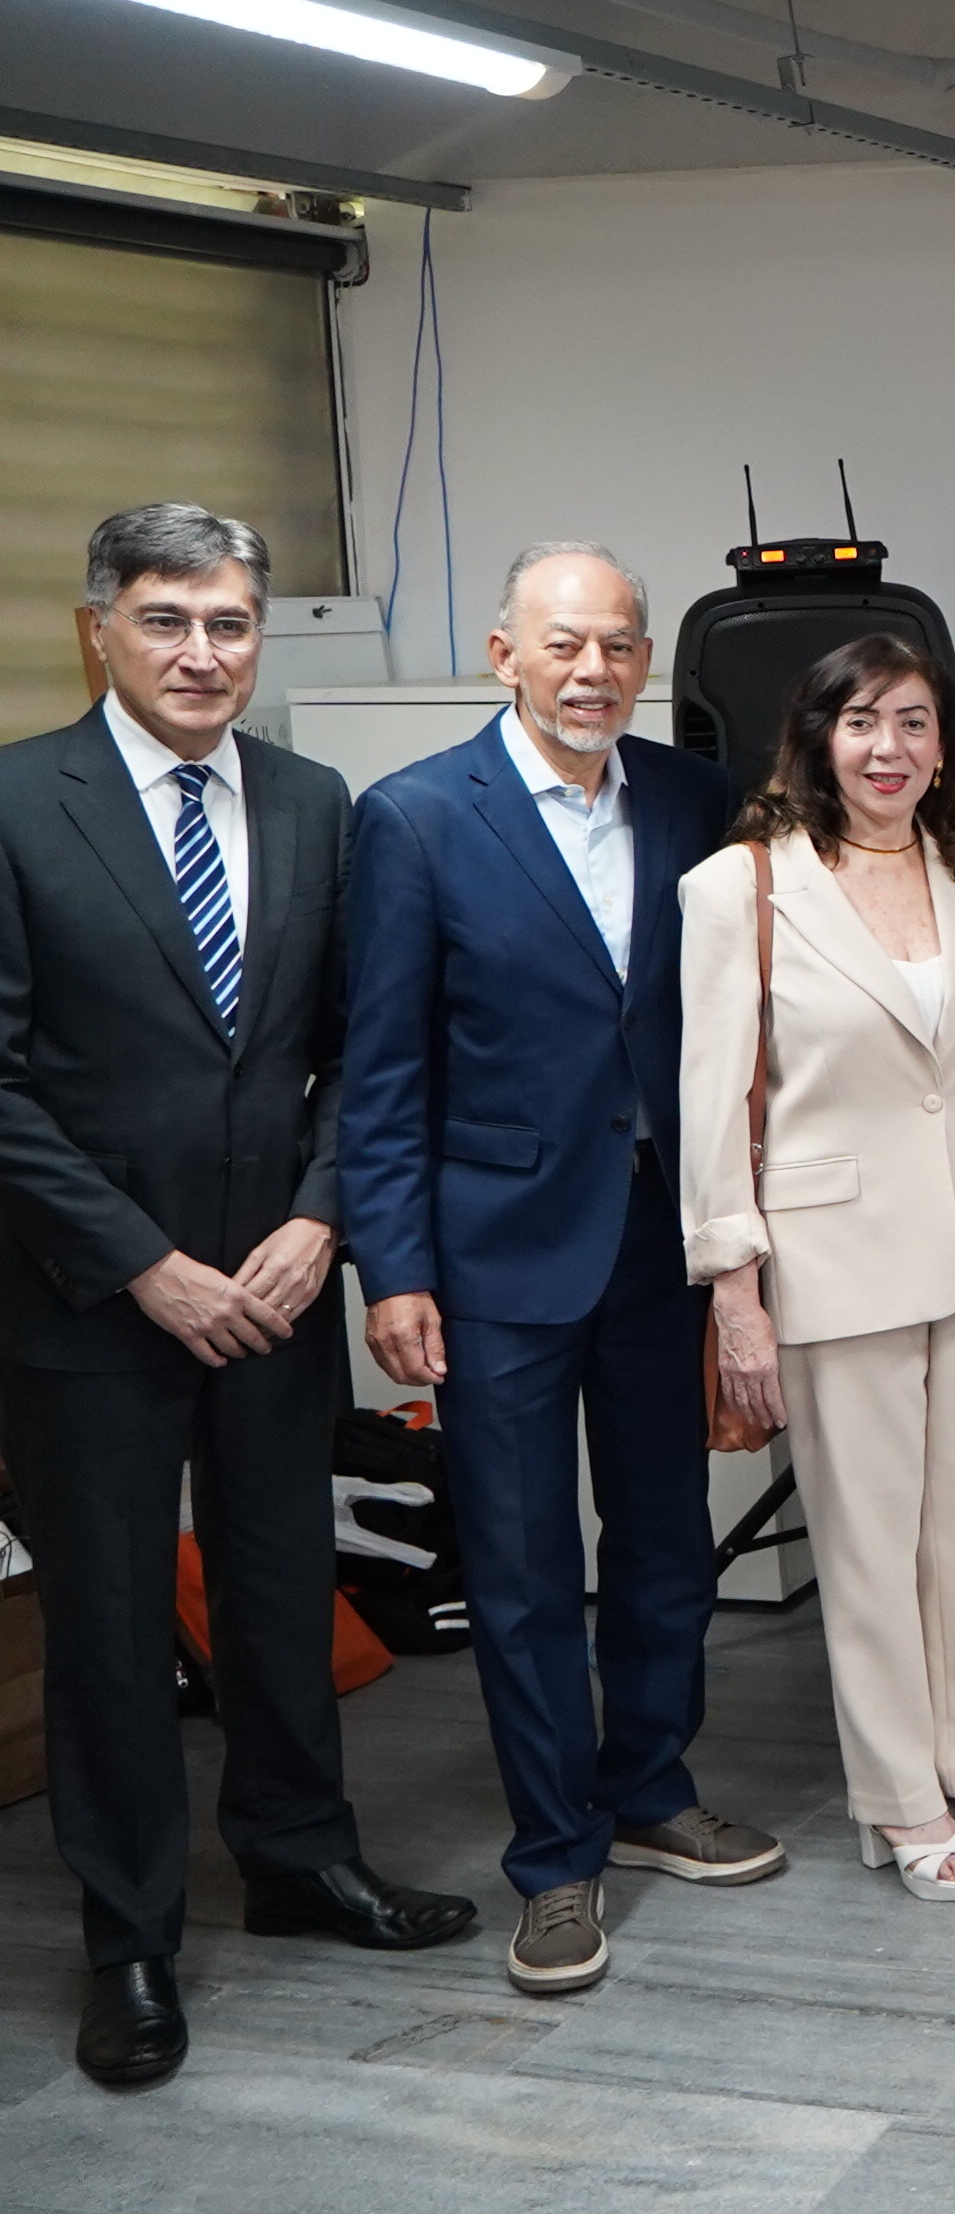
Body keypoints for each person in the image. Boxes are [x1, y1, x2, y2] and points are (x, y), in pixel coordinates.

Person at [0, 505, 474, 2088]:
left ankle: (299, 1858)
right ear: (100, 631)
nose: (201, 652)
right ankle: (129, 1937)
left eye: (228, 623)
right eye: (167, 619)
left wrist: (322, 1217)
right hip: (90, 1296)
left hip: (275, 1282)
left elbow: (362, 1050)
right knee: (112, 1622)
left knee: (281, 1583)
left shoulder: (313, 800)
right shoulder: (15, 800)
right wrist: (144, 1261)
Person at [343, 542, 787, 1999]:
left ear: (646, 659)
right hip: (494, 1260)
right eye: (564, 644)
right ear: (505, 655)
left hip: (662, 1243)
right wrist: (393, 1266)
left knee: (664, 1542)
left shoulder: (694, 798)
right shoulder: (414, 818)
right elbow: (382, 1067)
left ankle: (651, 1787)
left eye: (618, 645)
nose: (594, 671)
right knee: (525, 1570)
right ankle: (554, 1856)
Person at [678, 633, 955, 1903]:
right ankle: (902, 1799)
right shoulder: (740, 888)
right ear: (818, 741)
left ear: (943, 744)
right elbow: (709, 1101)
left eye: (912, 721)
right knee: (868, 1549)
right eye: (860, 722)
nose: (887, 747)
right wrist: (733, 1287)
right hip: (832, 1253)